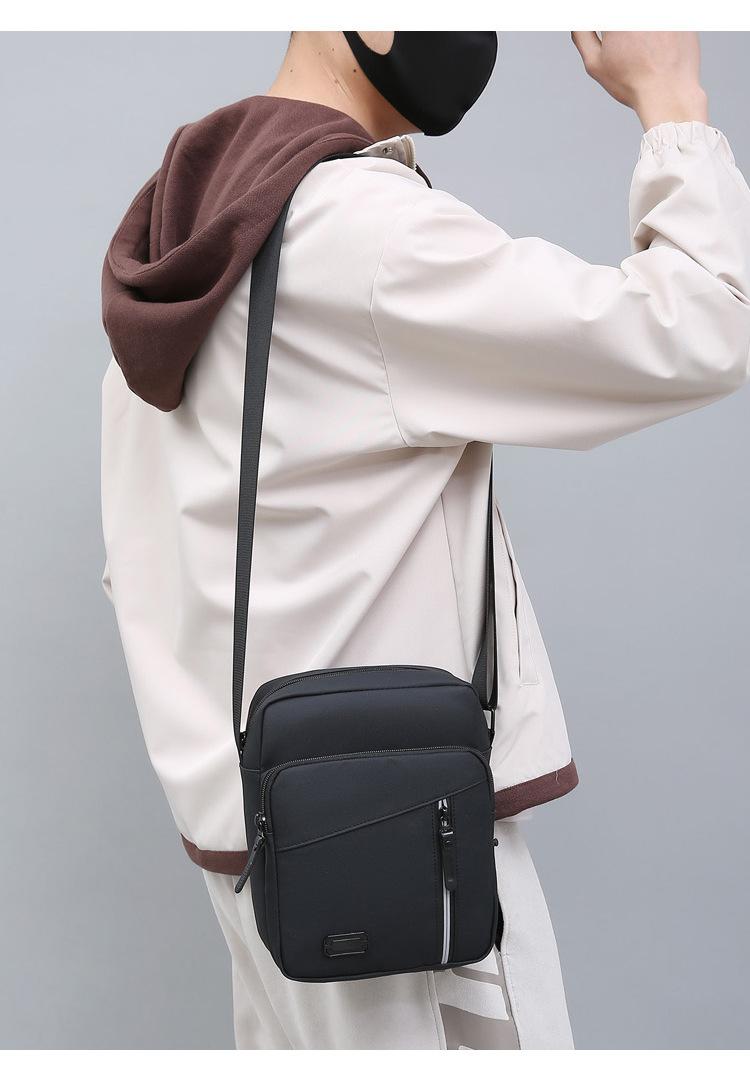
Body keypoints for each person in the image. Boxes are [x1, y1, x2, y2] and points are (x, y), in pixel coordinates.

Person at [100, 31, 750, 1050]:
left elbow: (141, 560)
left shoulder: (183, 235)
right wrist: (671, 100)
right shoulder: (366, 232)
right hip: (400, 841)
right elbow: (707, 321)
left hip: (257, 841)